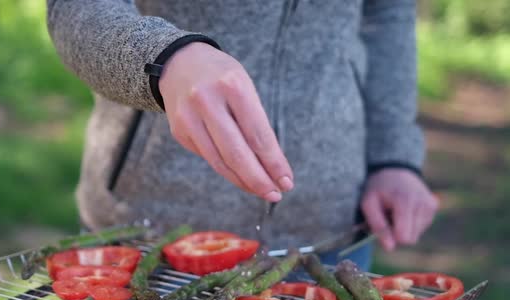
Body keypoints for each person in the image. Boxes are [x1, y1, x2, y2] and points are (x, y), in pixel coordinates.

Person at [46, 0, 439, 271]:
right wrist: (161, 56)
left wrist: (393, 157)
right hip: (149, 227)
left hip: (329, 229)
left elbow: (386, 13)